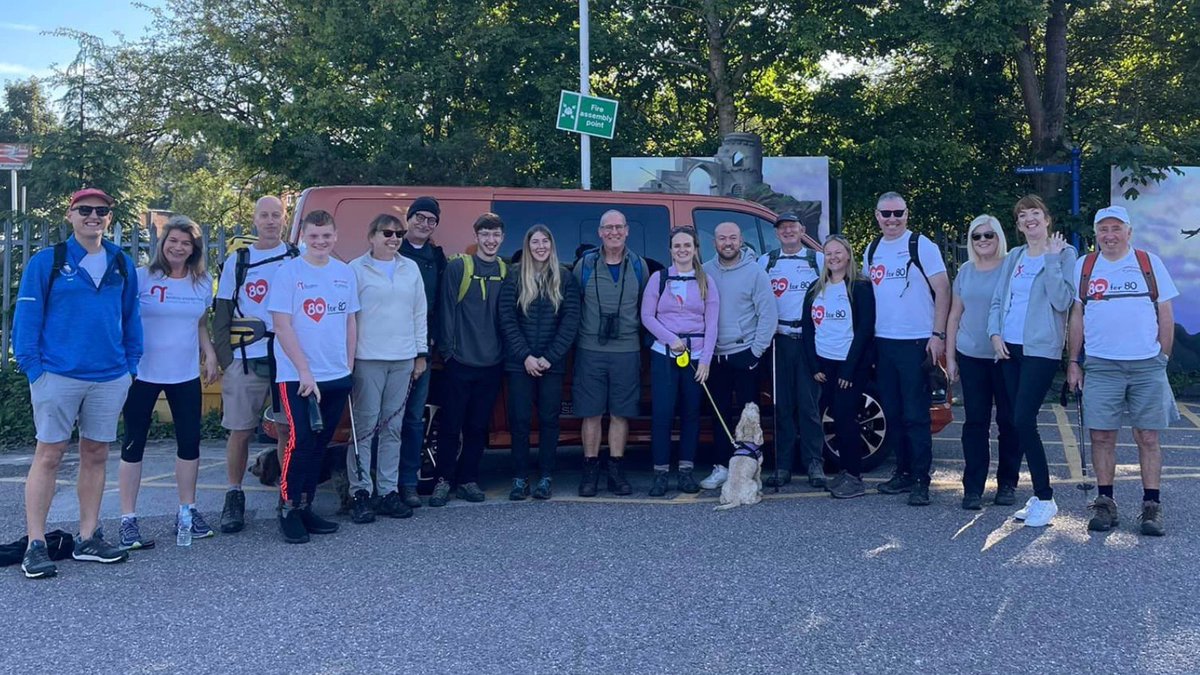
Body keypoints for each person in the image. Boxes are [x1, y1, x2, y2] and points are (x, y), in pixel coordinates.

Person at [13, 188, 141, 578]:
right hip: (58, 375)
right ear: (70, 215)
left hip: (109, 376)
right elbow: (26, 323)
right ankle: (36, 545)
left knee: (96, 454)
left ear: (109, 218)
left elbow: (131, 317)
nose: (93, 216)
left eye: (101, 211)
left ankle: (87, 538)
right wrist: (36, 370)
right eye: (84, 210)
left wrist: (130, 366)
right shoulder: (46, 262)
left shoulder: (121, 263)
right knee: (49, 455)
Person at [1068, 205, 1179, 536]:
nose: (1110, 235)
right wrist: (1073, 361)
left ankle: (1151, 506)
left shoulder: (1148, 263)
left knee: (1147, 436)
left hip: (1147, 365)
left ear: (1129, 232)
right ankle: (1105, 503)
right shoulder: (1085, 266)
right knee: (1101, 435)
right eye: (1103, 229)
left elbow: (1166, 313)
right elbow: (1077, 315)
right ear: (1096, 234)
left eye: (1116, 228)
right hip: (1101, 365)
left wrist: (1163, 358)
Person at [117, 216, 220, 550]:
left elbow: (200, 324)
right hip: (142, 374)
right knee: (133, 444)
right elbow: (120, 319)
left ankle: (186, 512)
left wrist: (211, 354)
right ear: (162, 244)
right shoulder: (141, 277)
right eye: (172, 241)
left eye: (185, 243)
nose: (178, 247)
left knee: (189, 444)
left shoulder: (202, 282)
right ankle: (128, 520)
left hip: (184, 375)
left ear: (194, 249)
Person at [987, 195, 1078, 527]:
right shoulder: (1014, 256)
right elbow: (999, 300)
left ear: (1047, 218)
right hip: (1009, 348)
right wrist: (994, 334)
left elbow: (1061, 300)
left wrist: (1052, 261)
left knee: (1024, 419)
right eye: (1023, 215)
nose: (1029, 219)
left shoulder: (1064, 254)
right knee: (1013, 420)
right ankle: (1039, 494)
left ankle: (1045, 496)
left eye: (1035, 213)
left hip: (1041, 349)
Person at [269, 210, 358, 543]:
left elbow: (350, 322)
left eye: (326, 236)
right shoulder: (288, 273)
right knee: (300, 440)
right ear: (303, 236)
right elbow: (281, 325)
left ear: (335, 236)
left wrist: (347, 365)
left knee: (321, 442)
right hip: (298, 376)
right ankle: (288, 508)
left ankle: (307, 506)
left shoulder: (344, 273)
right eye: (314, 236)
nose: (320, 242)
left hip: (335, 374)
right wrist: (304, 370)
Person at [212, 195, 298, 534]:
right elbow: (221, 311)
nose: (271, 221)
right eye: (265, 215)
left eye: (276, 215)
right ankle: (234, 496)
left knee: (286, 430)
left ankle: (286, 495)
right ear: (255, 218)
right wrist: (225, 359)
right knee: (240, 431)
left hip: (286, 358)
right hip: (247, 357)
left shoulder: (296, 257)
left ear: (285, 218)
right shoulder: (239, 260)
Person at [864, 191, 950, 506]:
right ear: (876, 216)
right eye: (885, 214)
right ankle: (901, 473)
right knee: (894, 413)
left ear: (906, 214)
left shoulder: (921, 245)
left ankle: (920, 481)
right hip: (883, 342)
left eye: (898, 213)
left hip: (916, 341)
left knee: (916, 415)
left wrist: (938, 333)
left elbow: (942, 288)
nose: (892, 219)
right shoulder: (871, 249)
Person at [346, 214, 427, 523]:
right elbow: (349, 318)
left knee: (393, 428)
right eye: (387, 233)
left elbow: (420, 312)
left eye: (398, 234)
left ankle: (387, 491)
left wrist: (421, 353)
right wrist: (349, 358)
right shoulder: (356, 269)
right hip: (367, 358)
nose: (394, 238)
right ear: (372, 236)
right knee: (364, 429)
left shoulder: (411, 268)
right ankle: (361, 492)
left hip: (403, 358)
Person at [430, 213, 507, 506]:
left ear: (502, 238)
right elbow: (446, 310)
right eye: (485, 235)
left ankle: (468, 479)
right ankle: (443, 480)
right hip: (460, 362)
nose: (490, 241)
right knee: (451, 425)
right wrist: (449, 353)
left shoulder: (504, 270)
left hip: (491, 363)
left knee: (477, 427)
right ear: (476, 237)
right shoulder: (459, 267)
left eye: (496, 235)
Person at [499, 225, 581, 500]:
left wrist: (548, 357)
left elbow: (570, 322)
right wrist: (526, 356)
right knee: (520, 421)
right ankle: (519, 478)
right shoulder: (514, 276)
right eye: (535, 241)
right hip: (519, 363)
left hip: (551, 364)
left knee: (549, 421)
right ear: (528, 245)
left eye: (546, 241)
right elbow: (507, 320)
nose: (541, 246)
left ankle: (546, 476)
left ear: (552, 245)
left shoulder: (565, 278)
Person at [572, 210, 647, 497]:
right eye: (608, 228)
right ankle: (590, 470)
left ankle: (616, 470)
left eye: (619, 227)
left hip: (627, 349)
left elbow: (645, 307)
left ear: (627, 231)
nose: (614, 232)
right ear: (600, 233)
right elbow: (574, 304)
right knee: (590, 413)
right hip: (590, 349)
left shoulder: (639, 266)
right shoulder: (585, 265)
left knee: (621, 413)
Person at [945, 215, 1017, 511]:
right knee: (975, 423)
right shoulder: (965, 271)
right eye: (977, 236)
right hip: (971, 355)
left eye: (989, 235)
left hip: (1006, 356)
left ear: (999, 236)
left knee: (1009, 422)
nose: (983, 240)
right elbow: (954, 315)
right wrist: (949, 357)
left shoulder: (1011, 268)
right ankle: (973, 487)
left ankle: (1008, 484)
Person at [641, 227, 720, 496]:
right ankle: (661, 473)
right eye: (677, 246)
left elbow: (712, 323)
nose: (682, 250)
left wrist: (706, 360)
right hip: (665, 353)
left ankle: (686, 471)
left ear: (696, 249)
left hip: (696, 356)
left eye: (687, 245)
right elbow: (647, 316)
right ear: (671, 250)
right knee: (663, 414)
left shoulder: (706, 280)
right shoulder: (658, 279)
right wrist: (671, 339)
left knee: (691, 414)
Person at [699, 222, 777, 490]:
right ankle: (722, 467)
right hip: (715, 356)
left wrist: (756, 352)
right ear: (714, 242)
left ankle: (751, 467)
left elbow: (768, 315)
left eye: (733, 237)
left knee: (749, 417)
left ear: (741, 240)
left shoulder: (755, 273)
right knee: (718, 414)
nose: (728, 243)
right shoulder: (706, 271)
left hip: (745, 353)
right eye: (722, 238)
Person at [801, 235, 875, 499]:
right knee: (833, 419)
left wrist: (849, 369)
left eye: (838, 252)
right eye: (828, 253)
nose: (833, 257)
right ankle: (844, 472)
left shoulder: (860, 287)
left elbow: (865, 330)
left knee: (846, 419)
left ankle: (854, 477)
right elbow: (808, 329)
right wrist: (814, 365)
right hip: (825, 365)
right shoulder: (815, 288)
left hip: (849, 366)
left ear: (848, 255)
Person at [759, 212, 825, 488]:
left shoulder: (817, 259)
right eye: (782, 228)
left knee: (809, 406)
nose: (787, 232)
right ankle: (783, 465)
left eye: (792, 227)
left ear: (802, 230)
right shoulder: (767, 261)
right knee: (782, 407)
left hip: (809, 341)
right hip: (779, 339)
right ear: (776, 233)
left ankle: (814, 464)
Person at [397, 196, 446, 507]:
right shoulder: (390, 250)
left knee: (415, 418)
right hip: (385, 348)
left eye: (431, 220)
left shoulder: (438, 259)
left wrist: (435, 343)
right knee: (383, 420)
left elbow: (442, 305)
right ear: (409, 218)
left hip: (421, 350)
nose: (424, 224)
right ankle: (380, 484)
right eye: (420, 217)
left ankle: (408, 483)